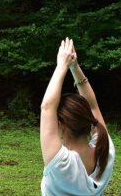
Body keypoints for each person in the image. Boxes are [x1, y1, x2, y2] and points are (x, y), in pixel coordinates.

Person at [40, 38, 115, 196]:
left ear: (61, 124)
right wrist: (73, 67)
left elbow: (47, 107)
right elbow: (93, 106)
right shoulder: (105, 151)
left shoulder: (60, 164)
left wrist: (62, 65)